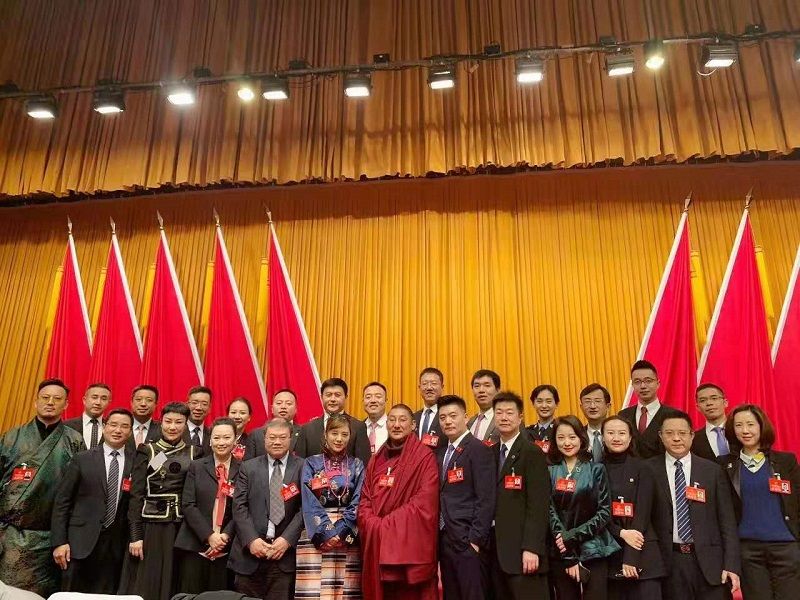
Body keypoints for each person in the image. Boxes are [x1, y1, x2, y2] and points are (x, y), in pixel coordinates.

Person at [0, 378, 84, 596]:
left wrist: (63, 538)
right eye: (45, 398)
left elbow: (78, 492)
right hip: (10, 534)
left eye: (57, 399)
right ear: (35, 401)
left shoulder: (74, 441)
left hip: (50, 538)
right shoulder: (11, 437)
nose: (50, 402)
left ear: (66, 404)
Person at [648, 411, 740, 600]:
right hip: (669, 563)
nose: (676, 438)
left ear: (692, 435)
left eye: (682, 433)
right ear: (660, 436)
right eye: (669, 433)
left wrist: (731, 564)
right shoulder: (648, 470)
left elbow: (727, 521)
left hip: (711, 563)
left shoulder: (712, 471)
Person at [358, 404, 439, 600]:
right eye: (392, 420)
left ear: (413, 425)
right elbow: (365, 497)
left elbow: (424, 501)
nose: (396, 425)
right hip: (378, 539)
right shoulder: (376, 459)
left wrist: (386, 524)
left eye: (402, 420)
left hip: (406, 546)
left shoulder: (424, 457)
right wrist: (370, 521)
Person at [119, 402, 198, 600]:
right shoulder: (148, 451)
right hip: (151, 527)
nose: (173, 427)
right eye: (168, 421)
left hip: (182, 527)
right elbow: (136, 495)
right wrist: (135, 535)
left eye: (178, 422)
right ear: (160, 422)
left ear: (186, 424)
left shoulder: (195, 453)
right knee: (148, 582)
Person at [51, 408, 135, 593]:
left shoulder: (135, 462)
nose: (118, 430)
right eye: (113, 425)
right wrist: (59, 542)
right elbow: (62, 502)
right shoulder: (83, 459)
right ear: (104, 427)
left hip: (114, 547)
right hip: (78, 543)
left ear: (130, 431)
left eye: (124, 426)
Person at [720, 404, 799, 599]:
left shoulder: (786, 461)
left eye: (750, 424)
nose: (745, 430)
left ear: (761, 426)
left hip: (786, 547)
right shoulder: (724, 465)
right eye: (738, 425)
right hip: (748, 551)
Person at [229, 418, 304, 600]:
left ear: (291, 439)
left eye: (282, 437)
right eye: (272, 437)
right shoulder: (248, 467)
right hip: (249, 556)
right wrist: (251, 540)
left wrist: (286, 540)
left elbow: (305, 508)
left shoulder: (302, 467)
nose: (277, 442)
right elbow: (239, 506)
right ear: (264, 439)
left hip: (284, 556)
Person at [548, 415, 620, 600]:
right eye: (561, 437)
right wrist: (567, 550)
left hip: (594, 548)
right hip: (561, 552)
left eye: (572, 437)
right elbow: (549, 512)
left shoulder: (596, 469)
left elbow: (604, 512)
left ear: (581, 438)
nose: (567, 443)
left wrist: (572, 536)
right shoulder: (549, 470)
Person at [295, 414, 366, 599]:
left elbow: (359, 499)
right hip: (316, 528)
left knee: (345, 589)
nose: (339, 439)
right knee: (314, 591)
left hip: (348, 530)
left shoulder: (357, 465)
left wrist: (341, 530)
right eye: (334, 433)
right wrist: (326, 531)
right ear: (326, 434)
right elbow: (308, 499)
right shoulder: (311, 463)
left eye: (344, 434)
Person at [436, 394, 496, 600]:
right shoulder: (440, 453)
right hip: (444, 539)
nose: (448, 421)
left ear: (466, 417)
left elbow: (486, 498)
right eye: (443, 417)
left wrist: (475, 540)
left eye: (453, 416)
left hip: (468, 540)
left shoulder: (479, 449)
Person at [491, 392, 550, 599]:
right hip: (497, 553)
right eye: (499, 413)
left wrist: (532, 548)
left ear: (520, 417)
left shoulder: (532, 453)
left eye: (509, 412)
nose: (504, 417)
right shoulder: (490, 453)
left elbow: (539, 505)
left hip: (524, 553)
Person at [601, 415, 666, 599]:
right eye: (611, 433)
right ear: (603, 437)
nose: (616, 438)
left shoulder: (644, 468)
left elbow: (643, 515)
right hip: (611, 554)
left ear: (630, 438)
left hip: (643, 553)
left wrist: (631, 558)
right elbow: (598, 513)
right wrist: (621, 533)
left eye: (622, 433)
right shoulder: (596, 469)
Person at [175, 417, 242, 593]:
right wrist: (209, 536)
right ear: (210, 440)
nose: (221, 442)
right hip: (195, 543)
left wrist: (224, 536)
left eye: (226, 437)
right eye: (216, 438)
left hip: (227, 548)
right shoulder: (196, 467)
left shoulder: (244, 470)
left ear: (235, 440)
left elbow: (242, 508)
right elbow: (188, 505)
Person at [294, 378, 371, 465]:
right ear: (321, 397)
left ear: (346, 397)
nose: (333, 399)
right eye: (328, 395)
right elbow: (299, 464)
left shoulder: (358, 427)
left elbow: (364, 464)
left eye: (337, 395)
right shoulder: (307, 429)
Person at [618, 361, 679, 459]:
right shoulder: (623, 416)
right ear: (632, 385)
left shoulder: (674, 416)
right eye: (637, 382)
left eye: (648, 381)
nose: (643, 386)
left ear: (658, 383)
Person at [244, 389, 301, 459]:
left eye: (288, 403)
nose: (283, 407)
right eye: (279, 403)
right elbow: (248, 464)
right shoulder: (256, 435)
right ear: (272, 409)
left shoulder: (303, 433)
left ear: (296, 409)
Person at [63, 382, 113, 449]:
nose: (98, 402)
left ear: (109, 403)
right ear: (84, 400)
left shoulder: (112, 428)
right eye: (94, 397)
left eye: (103, 399)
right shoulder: (66, 426)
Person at [690, 384, 730, 461]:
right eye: (703, 400)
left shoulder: (740, 431)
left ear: (725, 403)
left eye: (714, 398)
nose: (709, 403)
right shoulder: (693, 439)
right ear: (697, 407)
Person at [413, 367, 445, 450]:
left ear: (442, 387)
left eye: (434, 383)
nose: (429, 388)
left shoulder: (448, 416)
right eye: (425, 384)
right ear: (419, 387)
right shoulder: (413, 418)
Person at [581, 383, 612, 463]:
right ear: (581, 407)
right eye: (587, 401)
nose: (592, 406)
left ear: (608, 406)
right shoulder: (577, 436)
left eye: (597, 401)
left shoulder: (619, 434)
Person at [467, 369, 500, 444]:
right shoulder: (470, 422)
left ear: (497, 390)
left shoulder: (507, 419)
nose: (481, 390)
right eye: (477, 386)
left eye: (487, 385)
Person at [525, 384, 559, 453]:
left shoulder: (560, 429)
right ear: (533, 404)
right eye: (539, 401)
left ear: (556, 404)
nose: (544, 406)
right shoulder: (526, 432)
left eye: (548, 401)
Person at [128, 385, 161, 450]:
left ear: (156, 404)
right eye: (138, 399)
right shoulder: (120, 427)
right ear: (131, 402)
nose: (143, 404)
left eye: (149, 400)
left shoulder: (162, 430)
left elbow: (164, 453)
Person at [185, 385, 213, 454]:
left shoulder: (212, 435)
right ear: (187, 405)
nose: (199, 408)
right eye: (194, 403)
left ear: (209, 408)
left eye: (204, 404)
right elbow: (162, 455)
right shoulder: (175, 431)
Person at [363, 381, 388, 454]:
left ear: (386, 400)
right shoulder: (357, 428)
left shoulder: (394, 427)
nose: (373, 401)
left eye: (378, 397)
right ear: (363, 401)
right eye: (368, 397)